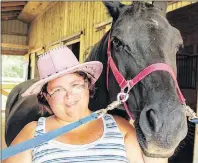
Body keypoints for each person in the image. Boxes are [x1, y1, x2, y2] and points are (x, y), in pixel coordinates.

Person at [4, 46, 144, 163]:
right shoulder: (31, 133)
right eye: (58, 90)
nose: (69, 95)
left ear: (87, 85)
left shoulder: (121, 129)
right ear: (46, 97)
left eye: (75, 85)